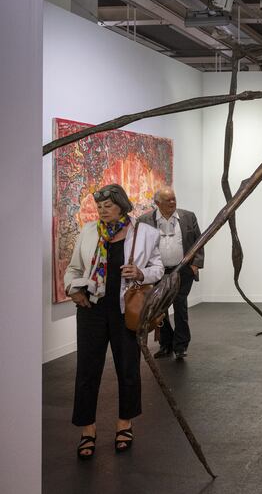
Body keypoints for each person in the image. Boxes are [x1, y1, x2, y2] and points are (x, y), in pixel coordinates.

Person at [63, 184, 163, 459]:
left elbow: (159, 268)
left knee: (128, 368)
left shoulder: (145, 234)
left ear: (121, 205)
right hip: (92, 310)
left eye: (108, 205)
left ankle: (124, 424)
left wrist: (141, 273)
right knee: (87, 371)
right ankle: (87, 430)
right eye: (99, 206)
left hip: (125, 311)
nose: (102, 210)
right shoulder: (89, 232)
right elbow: (73, 269)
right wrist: (73, 290)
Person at [140, 187, 204, 360]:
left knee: (180, 306)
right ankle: (165, 344)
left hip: (183, 271)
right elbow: (140, 247)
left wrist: (195, 265)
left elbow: (199, 241)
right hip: (157, 272)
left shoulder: (188, 217)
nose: (172, 202)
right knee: (160, 309)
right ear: (157, 203)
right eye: (168, 200)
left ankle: (181, 346)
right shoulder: (145, 220)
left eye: (174, 199)